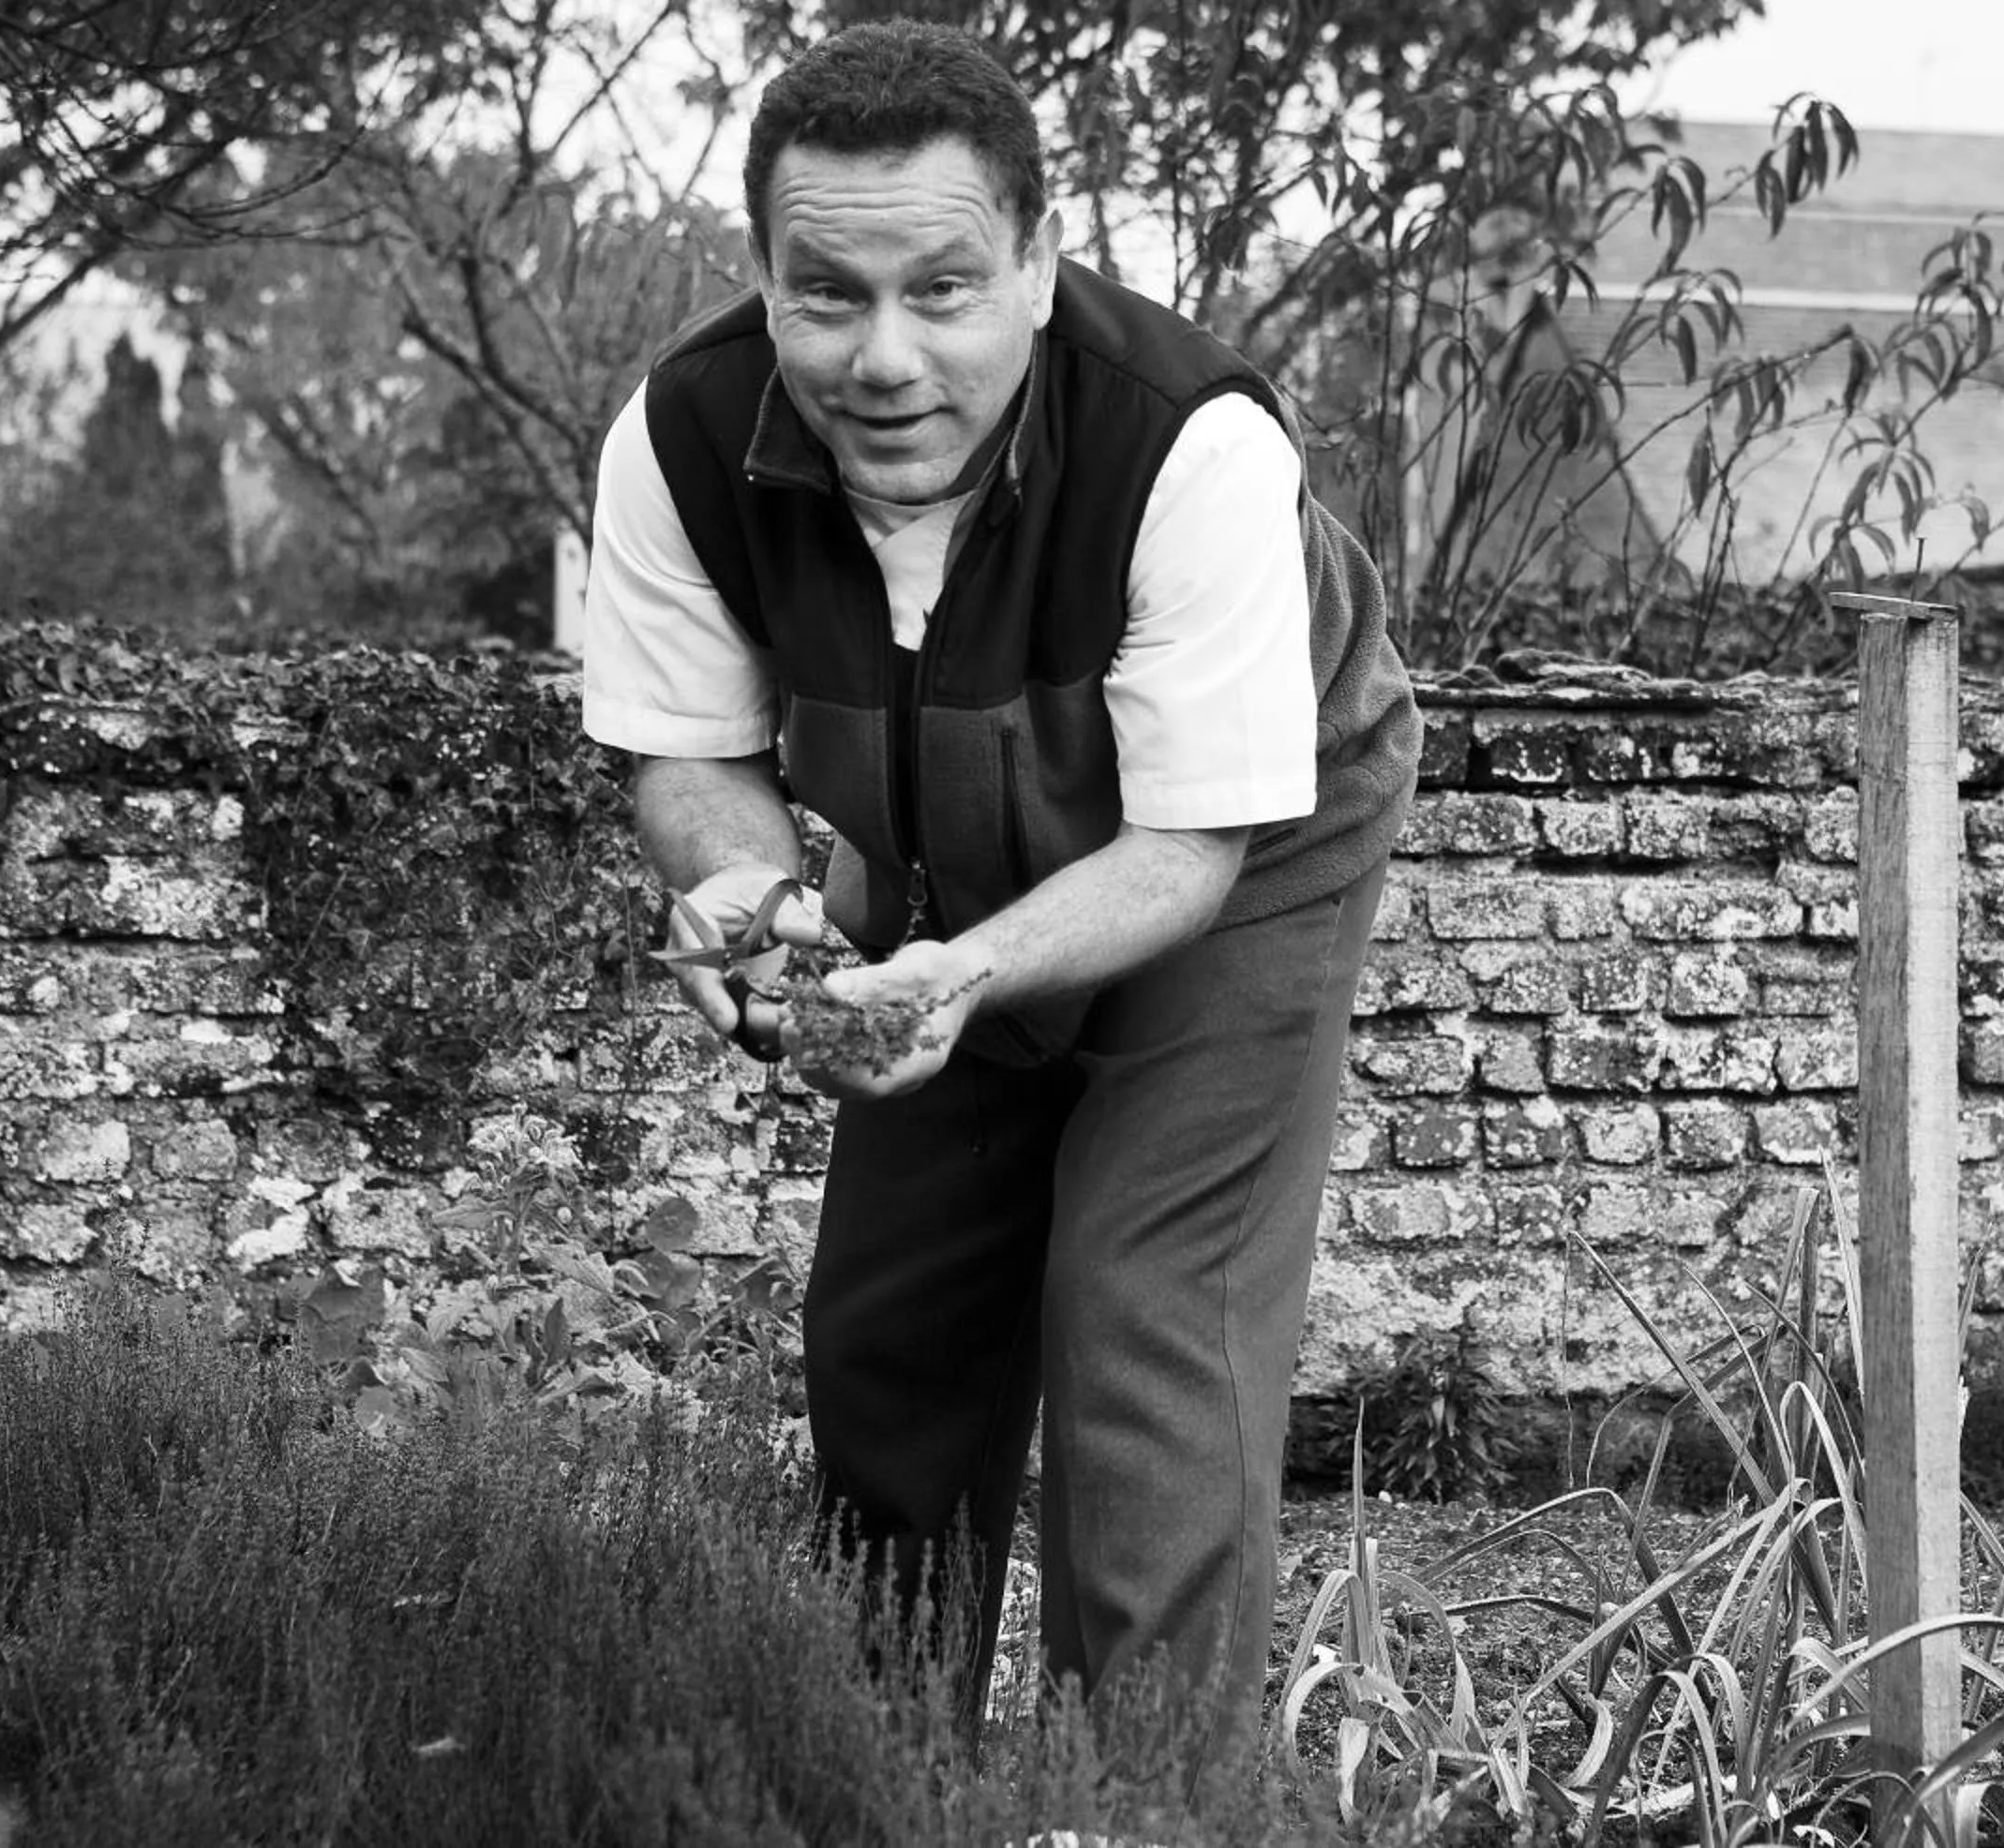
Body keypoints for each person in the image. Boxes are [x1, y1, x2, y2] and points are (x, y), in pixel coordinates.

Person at [580, 18, 1422, 1763]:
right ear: (764, 272)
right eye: (827, 295)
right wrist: (752, 902)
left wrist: (960, 978)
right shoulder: (677, 439)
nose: (884, 358)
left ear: (1039, 261)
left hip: (1245, 851)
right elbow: (687, 755)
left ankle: (1136, 1807)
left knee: (1146, 1334)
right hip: (938, 858)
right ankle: (880, 1787)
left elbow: (1189, 843)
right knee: (890, 1337)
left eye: (946, 289)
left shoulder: (1189, 444)